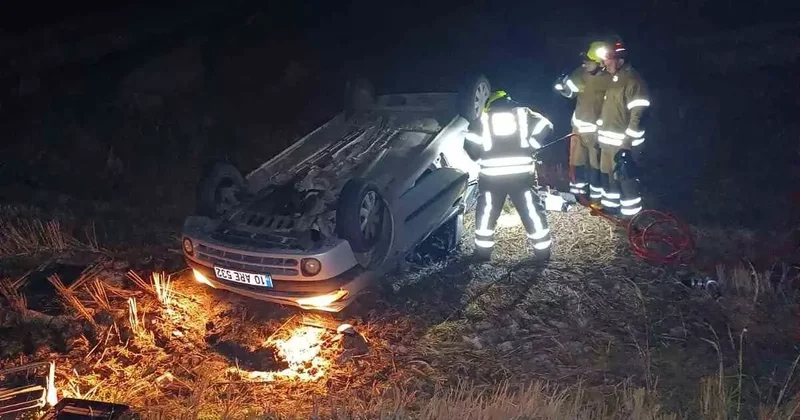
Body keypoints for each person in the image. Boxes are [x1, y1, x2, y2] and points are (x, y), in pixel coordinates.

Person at [463, 91, 554, 261]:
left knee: (487, 212)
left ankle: (483, 253)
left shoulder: (482, 120)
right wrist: (532, 144)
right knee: (531, 210)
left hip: (491, 177)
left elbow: (470, 145)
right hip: (521, 175)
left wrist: (479, 156)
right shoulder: (523, 113)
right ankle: (542, 252)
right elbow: (546, 124)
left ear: (489, 105)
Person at [595, 40, 650, 217]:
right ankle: (611, 209)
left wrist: (627, 143)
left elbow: (637, 116)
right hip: (607, 143)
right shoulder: (614, 79)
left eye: (607, 60)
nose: (604, 64)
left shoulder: (633, 81)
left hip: (623, 144)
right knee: (609, 176)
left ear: (619, 60)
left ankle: (632, 217)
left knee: (626, 179)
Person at [554, 41, 612, 204]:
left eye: (589, 61)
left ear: (600, 63)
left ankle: (596, 199)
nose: (585, 63)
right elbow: (570, 93)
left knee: (596, 166)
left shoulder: (610, 79)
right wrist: (563, 87)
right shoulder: (579, 73)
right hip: (578, 129)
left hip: (596, 131)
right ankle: (578, 197)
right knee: (577, 163)